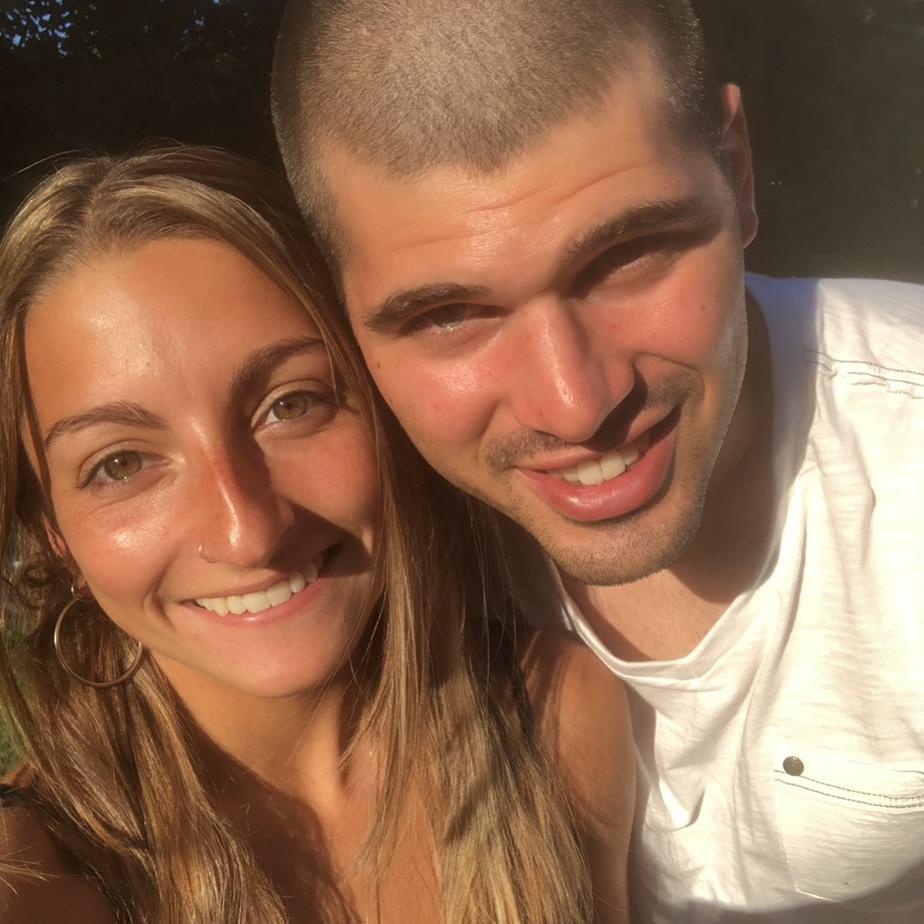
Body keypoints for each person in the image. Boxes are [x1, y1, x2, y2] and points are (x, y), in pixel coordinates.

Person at [270, 1, 924, 921]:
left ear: (736, 171)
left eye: (628, 256)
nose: (576, 406)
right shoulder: (357, 533)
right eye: (448, 315)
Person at [0, 146, 634, 923]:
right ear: (54, 536)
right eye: (120, 464)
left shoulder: (554, 717)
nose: (248, 534)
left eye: (291, 405)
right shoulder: (38, 876)